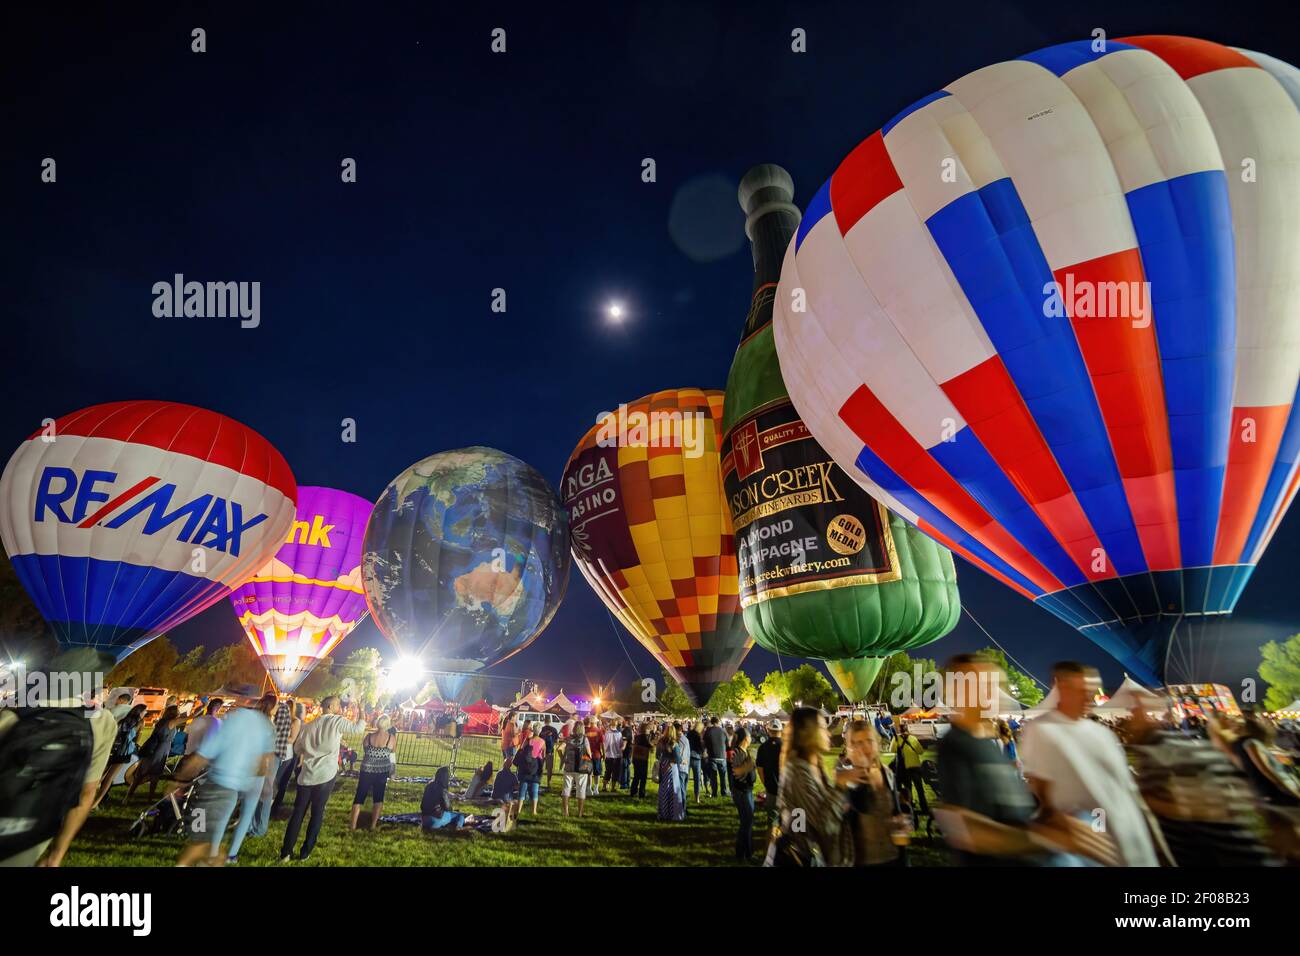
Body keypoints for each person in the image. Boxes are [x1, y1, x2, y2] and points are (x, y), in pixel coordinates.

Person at [935, 654, 1116, 866]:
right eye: (984, 684)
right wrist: (1047, 838)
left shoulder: (987, 743)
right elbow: (964, 828)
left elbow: (1011, 812)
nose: (996, 692)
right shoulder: (955, 745)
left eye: (996, 684)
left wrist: (1051, 820)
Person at [1020, 662, 1161, 867]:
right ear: (1062, 687)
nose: (1089, 696)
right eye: (1082, 690)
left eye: (1092, 690)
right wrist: (1094, 831)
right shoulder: (1041, 730)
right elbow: (1041, 790)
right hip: (1096, 848)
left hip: (1135, 844)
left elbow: (1121, 788)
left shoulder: (1103, 733)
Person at [0, 694, 118, 867]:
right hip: (32, 835)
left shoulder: (16, 709)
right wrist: (56, 854)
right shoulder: (101, 721)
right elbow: (86, 794)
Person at [174, 701, 275, 867]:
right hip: (233, 787)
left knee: (201, 838)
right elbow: (265, 761)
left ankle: (209, 855)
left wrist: (180, 781)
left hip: (215, 784)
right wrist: (266, 784)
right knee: (238, 820)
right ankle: (224, 855)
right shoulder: (265, 727)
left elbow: (204, 754)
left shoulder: (231, 722)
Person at [279, 696, 365, 863]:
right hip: (326, 775)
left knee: (298, 813)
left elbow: (297, 749)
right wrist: (361, 709)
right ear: (330, 706)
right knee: (317, 813)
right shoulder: (336, 721)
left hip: (307, 775)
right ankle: (306, 851)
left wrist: (310, 750)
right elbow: (359, 728)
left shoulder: (308, 726)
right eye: (338, 704)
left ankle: (286, 852)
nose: (340, 707)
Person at [764, 708, 845, 866]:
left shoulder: (815, 764)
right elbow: (823, 824)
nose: (828, 733)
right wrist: (840, 785)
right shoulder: (798, 772)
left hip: (809, 853)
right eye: (822, 727)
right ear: (808, 733)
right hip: (798, 856)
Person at [223, 695, 279, 864]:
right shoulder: (269, 726)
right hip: (256, 773)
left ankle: (213, 844)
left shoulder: (247, 720)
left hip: (238, 768)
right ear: (272, 707)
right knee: (246, 814)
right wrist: (270, 780)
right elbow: (267, 755)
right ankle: (231, 854)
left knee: (228, 808)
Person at [841, 719, 904, 867]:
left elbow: (897, 812)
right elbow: (861, 804)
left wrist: (903, 821)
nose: (865, 747)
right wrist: (862, 769)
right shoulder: (847, 778)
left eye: (869, 740)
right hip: (864, 861)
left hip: (893, 857)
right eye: (857, 743)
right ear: (849, 748)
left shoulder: (887, 773)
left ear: (877, 742)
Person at [92, 703, 146, 809]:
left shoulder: (123, 720)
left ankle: (87, 796)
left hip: (112, 749)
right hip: (124, 752)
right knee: (109, 778)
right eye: (145, 711)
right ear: (140, 712)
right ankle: (96, 803)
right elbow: (137, 739)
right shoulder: (140, 722)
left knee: (100, 775)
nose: (146, 713)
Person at [351, 713, 398, 831]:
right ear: (388, 725)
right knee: (378, 798)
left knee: (359, 797)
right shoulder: (391, 738)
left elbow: (366, 751)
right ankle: (373, 825)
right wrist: (393, 773)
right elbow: (392, 758)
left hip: (366, 770)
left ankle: (352, 825)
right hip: (382, 772)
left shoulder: (368, 737)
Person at [125, 705, 181, 799]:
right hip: (161, 749)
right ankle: (149, 797)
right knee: (154, 775)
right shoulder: (170, 723)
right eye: (178, 711)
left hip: (154, 748)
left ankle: (128, 796)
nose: (179, 713)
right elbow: (185, 719)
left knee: (141, 774)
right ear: (174, 713)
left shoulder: (162, 721)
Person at [270, 701, 305, 814]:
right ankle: (269, 804)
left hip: (287, 755)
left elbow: (292, 739)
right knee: (273, 780)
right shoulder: (279, 719)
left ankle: (275, 806)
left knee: (280, 781)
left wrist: (276, 737)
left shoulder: (295, 721)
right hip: (276, 752)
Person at [728, 725, 757, 861]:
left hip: (743, 791)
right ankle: (744, 854)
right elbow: (743, 775)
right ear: (746, 739)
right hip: (743, 792)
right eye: (750, 737)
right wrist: (751, 766)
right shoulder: (739, 753)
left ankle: (744, 853)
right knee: (747, 823)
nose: (751, 739)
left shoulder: (740, 752)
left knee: (746, 823)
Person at [891, 722, 929, 819]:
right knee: (920, 789)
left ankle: (911, 807)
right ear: (907, 729)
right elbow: (921, 751)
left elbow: (891, 750)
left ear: (899, 730)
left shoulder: (896, 739)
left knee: (909, 789)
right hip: (915, 766)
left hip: (905, 768)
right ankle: (924, 807)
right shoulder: (913, 738)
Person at [755, 719, 782, 828]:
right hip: (786, 789)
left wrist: (765, 783)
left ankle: (771, 843)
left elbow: (760, 768)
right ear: (781, 730)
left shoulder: (763, 747)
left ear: (768, 730)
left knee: (772, 822)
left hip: (771, 788)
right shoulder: (787, 747)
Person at [561, 725, 592, 817]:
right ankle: (580, 813)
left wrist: (562, 758)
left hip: (569, 767)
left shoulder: (568, 739)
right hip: (581, 767)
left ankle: (566, 812)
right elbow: (589, 753)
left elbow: (559, 748)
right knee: (581, 789)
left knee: (566, 789)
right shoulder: (584, 739)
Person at [657, 725, 687, 822]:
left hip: (663, 765)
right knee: (673, 790)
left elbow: (658, 755)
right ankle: (673, 813)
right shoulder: (674, 744)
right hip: (671, 767)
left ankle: (663, 812)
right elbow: (677, 758)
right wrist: (683, 761)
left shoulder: (661, 742)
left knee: (663, 789)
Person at [513, 729, 544, 817]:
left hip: (524, 770)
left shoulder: (526, 743)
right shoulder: (542, 741)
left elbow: (520, 753)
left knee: (522, 790)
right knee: (535, 789)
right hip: (535, 768)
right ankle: (534, 811)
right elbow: (542, 755)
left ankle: (519, 810)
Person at [704, 716, 729, 799]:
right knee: (723, 776)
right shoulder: (723, 731)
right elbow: (728, 743)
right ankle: (724, 792)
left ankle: (714, 793)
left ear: (711, 722)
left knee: (713, 776)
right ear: (718, 722)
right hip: (722, 756)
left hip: (712, 756)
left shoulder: (708, 731)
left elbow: (704, 742)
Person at [685, 720, 704, 802]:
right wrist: (703, 752)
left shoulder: (689, 733)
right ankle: (697, 797)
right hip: (696, 757)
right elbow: (700, 747)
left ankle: (683, 794)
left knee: (686, 777)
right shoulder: (698, 735)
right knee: (697, 778)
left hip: (688, 756)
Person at [630, 722, 651, 798]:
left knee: (636, 776)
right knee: (643, 777)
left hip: (636, 758)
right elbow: (649, 746)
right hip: (642, 759)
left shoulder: (637, 737)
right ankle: (641, 793)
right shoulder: (644, 738)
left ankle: (633, 791)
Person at [602, 721, 624, 793]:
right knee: (615, 772)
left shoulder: (607, 733)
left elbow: (605, 744)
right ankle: (613, 788)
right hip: (617, 755)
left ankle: (604, 787)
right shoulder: (619, 733)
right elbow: (621, 745)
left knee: (608, 771)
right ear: (617, 724)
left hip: (609, 755)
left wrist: (604, 753)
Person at [585, 717, 605, 795]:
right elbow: (602, 744)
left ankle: (589, 789)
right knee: (597, 772)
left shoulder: (586, 731)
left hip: (587, 754)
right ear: (596, 722)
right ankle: (596, 789)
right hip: (597, 754)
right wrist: (604, 753)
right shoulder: (599, 731)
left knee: (588, 772)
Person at [538, 720, 558, 788]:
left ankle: (538, 781)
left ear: (544, 721)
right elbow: (556, 740)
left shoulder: (541, 729)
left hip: (541, 751)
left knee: (540, 767)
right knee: (549, 768)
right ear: (550, 721)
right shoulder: (554, 729)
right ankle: (548, 782)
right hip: (550, 751)